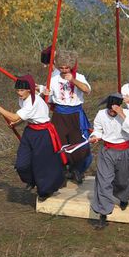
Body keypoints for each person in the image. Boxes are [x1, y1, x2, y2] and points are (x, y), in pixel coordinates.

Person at [0, 75, 65, 201]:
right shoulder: (23, 99)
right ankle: (31, 180)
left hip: (43, 134)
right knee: (21, 164)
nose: (19, 93)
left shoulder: (33, 102)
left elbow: (14, 117)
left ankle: (44, 191)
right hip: (30, 131)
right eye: (17, 90)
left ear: (29, 90)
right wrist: (17, 124)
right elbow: (23, 118)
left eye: (22, 90)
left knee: (42, 165)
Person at [88, 93, 129, 230]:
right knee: (104, 181)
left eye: (114, 110)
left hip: (124, 151)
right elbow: (98, 129)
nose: (112, 112)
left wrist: (121, 114)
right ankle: (103, 212)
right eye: (110, 110)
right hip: (107, 151)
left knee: (123, 179)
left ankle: (123, 197)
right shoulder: (101, 114)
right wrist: (94, 136)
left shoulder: (127, 114)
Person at [44, 49, 92, 185]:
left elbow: (87, 90)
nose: (64, 70)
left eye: (67, 67)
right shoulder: (53, 78)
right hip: (59, 115)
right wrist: (45, 93)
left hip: (76, 114)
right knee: (59, 144)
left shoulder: (79, 77)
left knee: (79, 145)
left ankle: (77, 169)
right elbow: (49, 99)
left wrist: (73, 80)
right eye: (61, 68)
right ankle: (63, 171)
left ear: (71, 66)